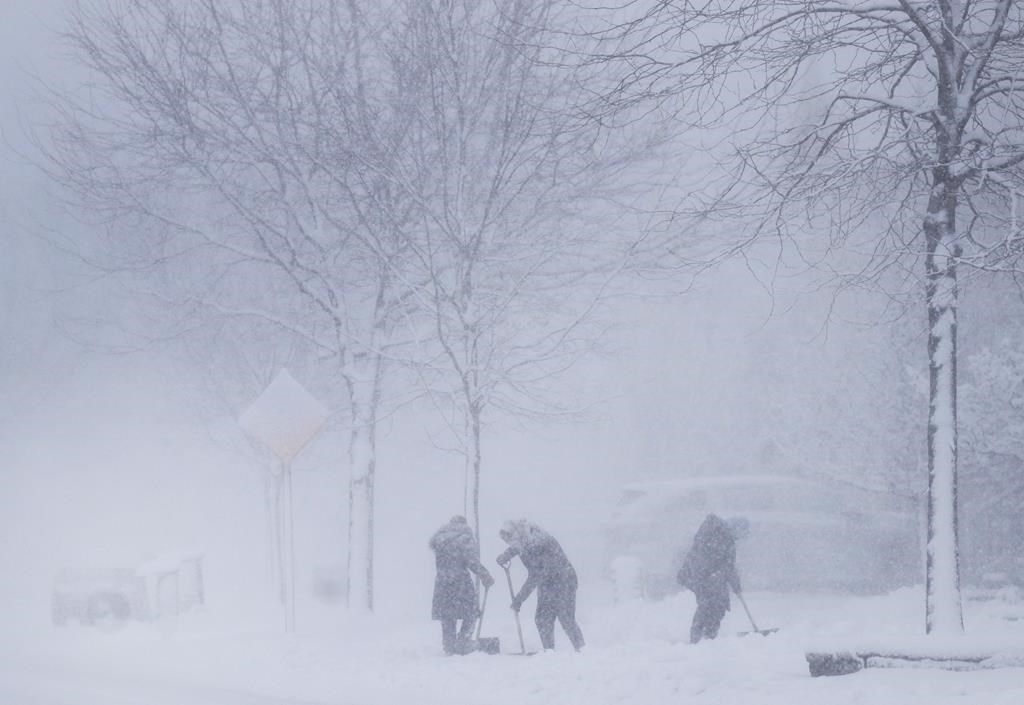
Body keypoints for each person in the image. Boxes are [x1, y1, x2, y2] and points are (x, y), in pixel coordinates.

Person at [496, 519, 585, 652]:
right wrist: (506, 555)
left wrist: (519, 600)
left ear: (517, 534)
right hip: (547, 583)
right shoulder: (526, 539)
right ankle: (550, 653)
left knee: (566, 618)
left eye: (511, 540)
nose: (510, 543)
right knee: (543, 619)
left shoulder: (538, 542)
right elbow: (519, 546)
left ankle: (583, 651)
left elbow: (535, 575)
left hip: (563, 581)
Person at [676, 513, 749, 644]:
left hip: (710, 577)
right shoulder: (714, 535)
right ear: (735, 529)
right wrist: (711, 576)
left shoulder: (727, 540)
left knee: (719, 605)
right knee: (707, 605)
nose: (740, 538)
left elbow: (729, 566)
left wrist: (736, 586)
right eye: (741, 533)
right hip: (699, 576)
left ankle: (709, 637)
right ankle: (698, 638)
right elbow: (702, 559)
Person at [429, 515, 494, 655]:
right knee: (471, 612)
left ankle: (449, 646)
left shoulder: (440, 540)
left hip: (442, 582)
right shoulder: (464, 538)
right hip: (460, 582)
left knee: (447, 616)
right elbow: (472, 561)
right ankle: (463, 642)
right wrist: (485, 575)